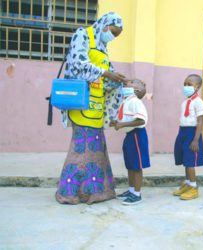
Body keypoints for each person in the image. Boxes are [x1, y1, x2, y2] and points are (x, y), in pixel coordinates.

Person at [56, 12, 129, 204]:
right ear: (105, 25)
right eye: (112, 32)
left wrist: (116, 80)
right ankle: (70, 193)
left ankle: (97, 192)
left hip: (96, 107)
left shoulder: (102, 48)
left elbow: (102, 80)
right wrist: (106, 73)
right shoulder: (83, 35)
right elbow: (78, 65)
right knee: (81, 149)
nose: (112, 37)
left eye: (116, 36)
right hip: (82, 104)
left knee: (96, 150)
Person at [113, 79, 150, 205]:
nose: (127, 82)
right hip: (129, 135)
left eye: (132, 82)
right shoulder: (126, 101)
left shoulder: (136, 102)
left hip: (137, 135)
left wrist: (122, 125)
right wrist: (116, 123)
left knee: (136, 165)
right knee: (130, 164)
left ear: (137, 90)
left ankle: (137, 194)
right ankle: (131, 190)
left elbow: (141, 121)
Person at [173, 74, 203, 200]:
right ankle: (187, 184)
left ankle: (193, 187)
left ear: (197, 87)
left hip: (192, 133)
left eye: (189, 84)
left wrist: (196, 140)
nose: (186, 87)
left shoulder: (199, 102)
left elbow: (200, 121)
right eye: (185, 84)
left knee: (191, 161)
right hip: (183, 132)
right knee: (185, 160)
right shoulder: (185, 102)